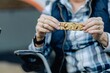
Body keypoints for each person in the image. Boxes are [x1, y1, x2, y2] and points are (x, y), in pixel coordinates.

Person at [29, 0, 110, 73]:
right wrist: (39, 38)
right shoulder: (52, 8)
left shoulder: (106, 3)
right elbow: (34, 60)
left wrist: (103, 37)